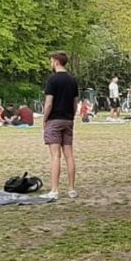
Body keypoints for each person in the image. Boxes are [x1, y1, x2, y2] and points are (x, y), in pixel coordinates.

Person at [41, 51, 79, 200]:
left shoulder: (53, 80)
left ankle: (55, 190)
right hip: (68, 120)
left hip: (54, 120)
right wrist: (71, 115)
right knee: (69, 155)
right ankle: (71, 189)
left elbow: (49, 102)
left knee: (55, 156)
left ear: (56, 62)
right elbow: (75, 102)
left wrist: (45, 118)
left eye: (51, 61)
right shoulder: (72, 80)